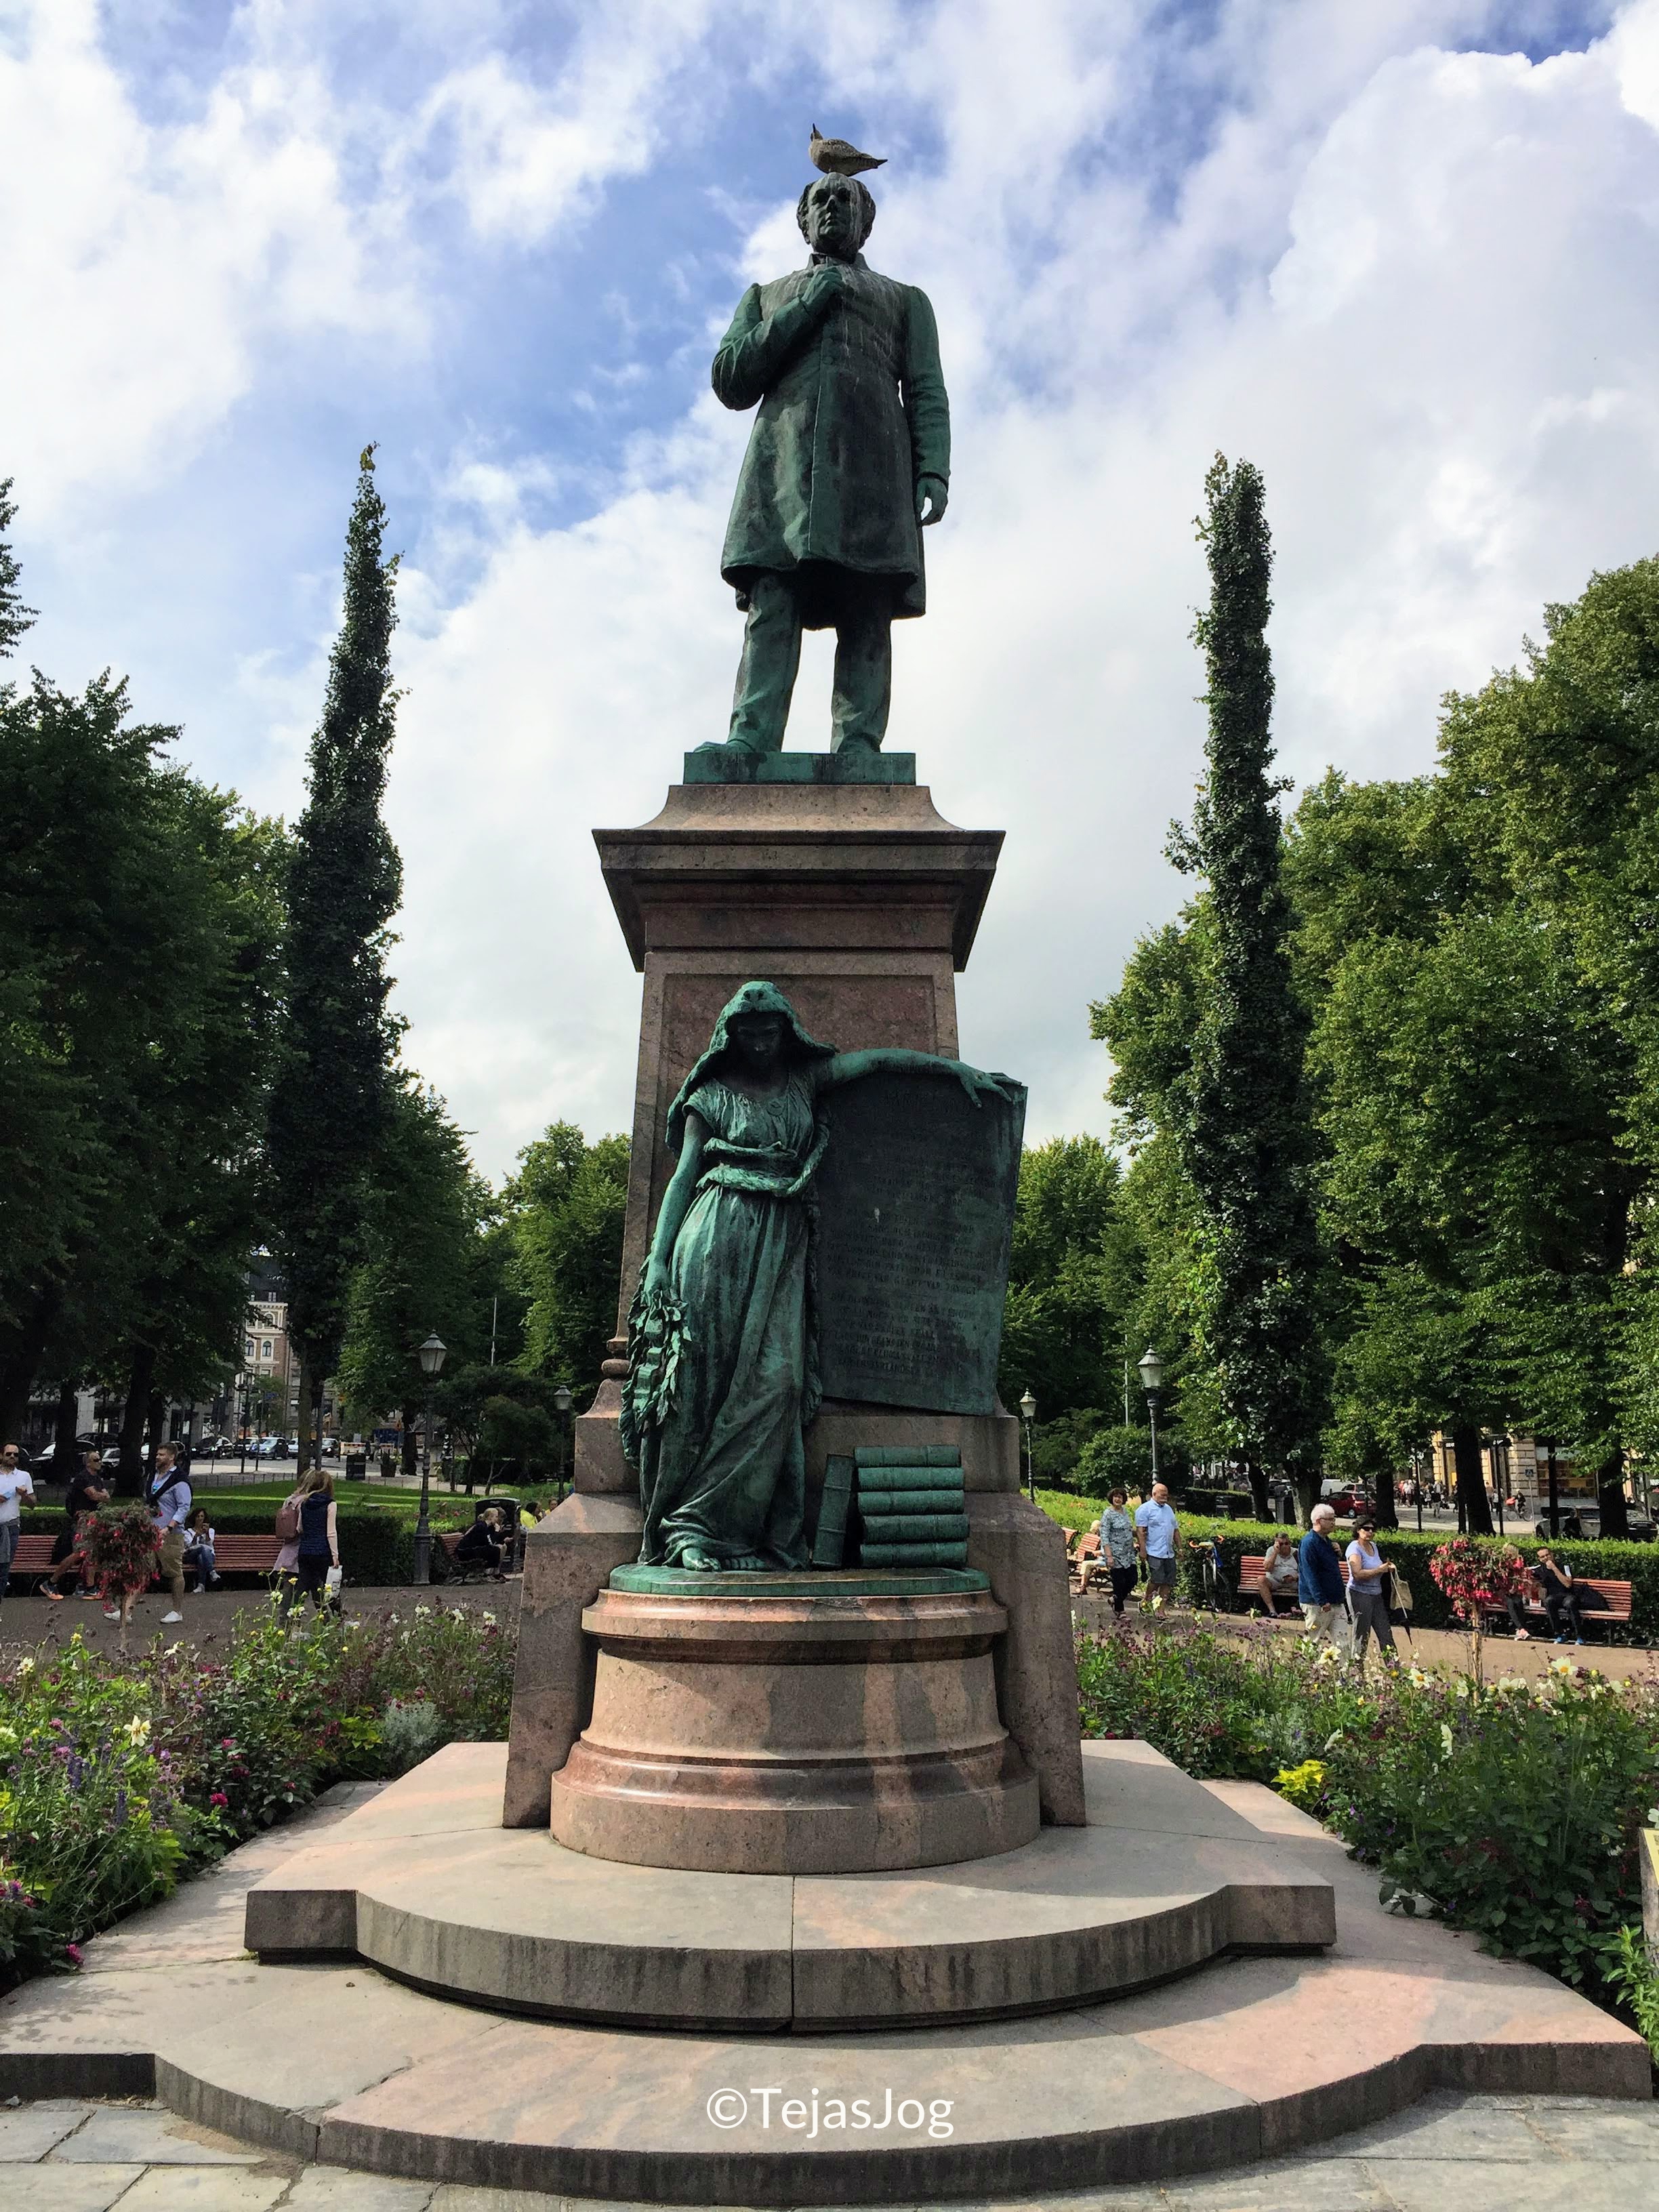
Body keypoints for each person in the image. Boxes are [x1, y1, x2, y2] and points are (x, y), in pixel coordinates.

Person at [623, 981, 1019, 1570]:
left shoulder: (806, 1082)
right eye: (749, 1034)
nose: (760, 1044)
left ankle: (727, 1523)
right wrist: (656, 1261)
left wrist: (953, 1072)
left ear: (787, 1033)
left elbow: (880, 1062)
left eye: (770, 1033)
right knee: (701, 1384)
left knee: (777, 1385)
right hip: (714, 1239)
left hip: (782, 1241)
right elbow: (682, 1179)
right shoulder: (709, 1096)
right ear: (729, 1037)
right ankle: (690, 1533)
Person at [703, 169, 949, 767]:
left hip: (873, 470)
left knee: (867, 604)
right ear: (804, 219)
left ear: (866, 222)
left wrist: (933, 469)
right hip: (782, 472)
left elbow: (925, 389)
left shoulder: (905, 300)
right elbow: (731, 379)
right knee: (774, 602)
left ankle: (859, 745)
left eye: (847, 198)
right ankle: (751, 738)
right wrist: (808, 305)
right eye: (823, 198)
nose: (834, 205)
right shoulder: (767, 295)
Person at [45, 1449, 110, 1601]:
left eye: (100, 1459)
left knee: (91, 1554)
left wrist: (100, 1496)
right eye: (96, 1460)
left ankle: (90, 1588)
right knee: (80, 1553)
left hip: (94, 1519)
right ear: (88, 1463)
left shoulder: (97, 1479)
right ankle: (51, 1582)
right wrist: (100, 1496)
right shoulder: (83, 1478)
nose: (100, 1462)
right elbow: (94, 1496)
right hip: (84, 1520)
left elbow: (107, 1498)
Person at [280, 1468, 339, 1618]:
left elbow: (300, 1528)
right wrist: (335, 1555)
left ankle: (292, 1619)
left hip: (305, 1552)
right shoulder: (330, 1504)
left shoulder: (304, 1503)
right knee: (331, 1588)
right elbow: (331, 1532)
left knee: (302, 1589)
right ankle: (338, 1618)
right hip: (322, 1552)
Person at [146, 1444, 192, 1625]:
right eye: (157, 1454)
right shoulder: (153, 1477)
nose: (157, 1457)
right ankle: (127, 1611)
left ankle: (177, 1611)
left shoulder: (180, 1480)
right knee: (142, 1570)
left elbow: (184, 1507)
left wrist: (170, 1527)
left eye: (162, 1454)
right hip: (151, 1532)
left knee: (174, 1572)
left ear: (171, 1458)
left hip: (170, 1535)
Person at [1344, 1517, 1397, 1665]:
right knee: (1362, 1635)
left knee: (1386, 1634)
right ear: (1358, 1530)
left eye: (1372, 1529)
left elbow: (1378, 1566)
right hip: (1359, 1595)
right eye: (1366, 1529)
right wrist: (1378, 1570)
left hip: (1376, 1595)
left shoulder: (1373, 1545)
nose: (1370, 1532)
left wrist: (1388, 1568)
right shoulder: (1354, 1548)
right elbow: (1357, 1574)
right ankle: (1356, 1673)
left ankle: (1396, 1673)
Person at [1297, 1504, 1346, 1643]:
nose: (1333, 1523)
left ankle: (1346, 1666)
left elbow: (1330, 1569)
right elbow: (1309, 1574)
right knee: (1313, 1641)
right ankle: (1306, 1665)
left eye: (1334, 1519)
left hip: (1336, 1601)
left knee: (1344, 1642)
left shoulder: (1328, 1542)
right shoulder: (1309, 1543)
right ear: (1318, 1521)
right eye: (1330, 1519)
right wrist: (1321, 1600)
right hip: (1316, 1604)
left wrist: (1338, 1554)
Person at [1132, 1480, 1181, 1611]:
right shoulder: (1144, 1509)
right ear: (1154, 1494)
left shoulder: (1169, 1509)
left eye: (1166, 1495)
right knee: (1157, 1579)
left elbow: (1175, 1530)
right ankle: (1146, 1601)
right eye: (1162, 1495)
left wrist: (1180, 1548)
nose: (1165, 1498)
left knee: (1168, 1581)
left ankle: (1161, 1610)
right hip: (1154, 1551)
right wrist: (1143, 1550)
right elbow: (1140, 1532)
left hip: (1168, 1552)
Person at [0, 1443, 36, 1617]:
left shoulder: (24, 1476)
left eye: (15, 1455)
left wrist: (24, 1496)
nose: (12, 1457)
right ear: (2, 1456)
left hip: (10, 1526)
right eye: (9, 1454)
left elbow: (32, 1505)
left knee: (4, 1568)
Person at [1096, 1487, 1138, 1616]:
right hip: (1115, 1554)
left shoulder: (1125, 1512)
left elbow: (1127, 1530)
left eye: (1120, 1497)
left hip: (1129, 1553)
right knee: (1119, 1582)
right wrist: (1109, 1556)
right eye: (1115, 1497)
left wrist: (1140, 1534)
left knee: (1133, 1579)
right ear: (1111, 1498)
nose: (1118, 1499)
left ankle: (1115, 1599)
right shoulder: (1108, 1514)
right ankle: (1120, 1610)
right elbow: (1104, 1536)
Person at [1534, 1545, 1586, 1643]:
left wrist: (1554, 1568)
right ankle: (1559, 1635)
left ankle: (1580, 1636)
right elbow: (1525, 1572)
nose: (1546, 1558)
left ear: (1552, 1555)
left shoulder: (1564, 1566)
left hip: (1568, 1595)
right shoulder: (1539, 1569)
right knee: (1549, 1602)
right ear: (1540, 1559)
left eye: (1547, 1555)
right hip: (1554, 1598)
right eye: (1542, 1557)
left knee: (1569, 1603)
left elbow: (1568, 1584)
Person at [454, 1506, 507, 1580]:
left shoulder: (489, 1527)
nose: (497, 1519)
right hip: (465, 1552)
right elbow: (490, 1543)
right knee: (495, 1550)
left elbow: (497, 1541)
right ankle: (488, 1573)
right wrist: (497, 1532)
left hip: (474, 1549)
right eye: (496, 1517)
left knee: (499, 1547)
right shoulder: (481, 1527)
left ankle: (494, 1572)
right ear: (490, 1517)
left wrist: (498, 1532)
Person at [1261, 1532, 1301, 1617]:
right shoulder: (1271, 1551)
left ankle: (1301, 1610)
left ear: (1290, 1543)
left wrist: (1295, 1577)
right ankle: (1272, 1612)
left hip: (1293, 1582)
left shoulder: (1296, 1553)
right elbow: (1268, 1568)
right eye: (1281, 1544)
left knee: (1307, 1583)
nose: (1284, 1546)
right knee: (1261, 1580)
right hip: (1275, 1581)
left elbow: (1305, 1571)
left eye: (1287, 1543)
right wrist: (1275, 1552)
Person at [183, 1507, 220, 1593]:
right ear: (194, 1518)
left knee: (201, 1557)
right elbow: (189, 1547)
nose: (200, 1519)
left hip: (209, 1556)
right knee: (202, 1548)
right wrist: (195, 1537)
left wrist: (206, 1534)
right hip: (192, 1556)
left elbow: (210, 1544)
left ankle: (201, 1586)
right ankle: (212, 1571)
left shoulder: (210, 1531)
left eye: (202, 1516)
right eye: (198, 1516)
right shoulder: (188, 1532)